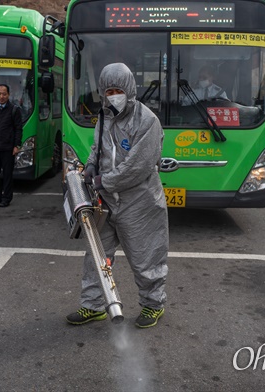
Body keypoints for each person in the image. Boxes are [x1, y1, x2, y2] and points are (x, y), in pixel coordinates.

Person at [65, 63, 169, 329]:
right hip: (107, 201)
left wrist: (102, 180)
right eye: (108, 90)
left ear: (129, 89)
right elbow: (98, 147)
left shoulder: (147, 121)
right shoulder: (105, 116)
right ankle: (93, 305)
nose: (113, 95)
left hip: (140, 202)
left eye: (118, 90)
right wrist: (90, 166)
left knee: (146, 256)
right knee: (96, 255)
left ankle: (152, 305)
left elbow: (137, 167)